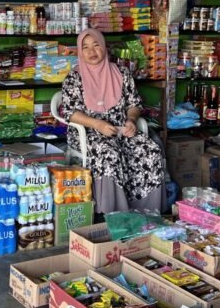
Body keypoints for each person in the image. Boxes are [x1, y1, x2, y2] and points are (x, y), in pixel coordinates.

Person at [59, 29, 164, 215]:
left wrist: (131, 120)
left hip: (121, 130)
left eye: (96, 45)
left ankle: (148, 211)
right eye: (85, 47)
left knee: (150, 149)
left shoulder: (122, 73)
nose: (92, 51)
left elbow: (134, 104)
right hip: (90, 133)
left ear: (104, 47)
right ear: (80, 52)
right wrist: (97, 124)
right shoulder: (74, 78)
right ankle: (114, 213)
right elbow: (70, 113)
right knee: (109, 152)